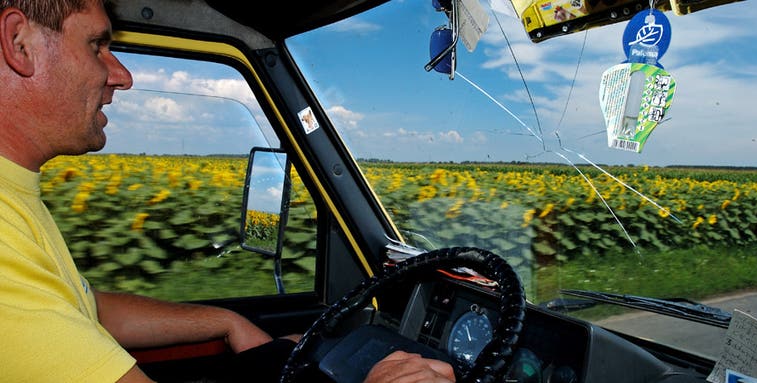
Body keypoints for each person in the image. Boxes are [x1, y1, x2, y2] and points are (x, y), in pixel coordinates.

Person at [0, 1, 456, 382]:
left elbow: (84, 310)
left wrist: (227, 321)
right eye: (98, 45)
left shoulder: (14, 196)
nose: (122, 75)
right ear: (20, 43)